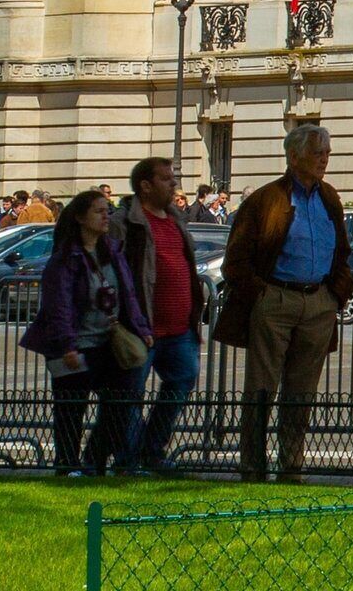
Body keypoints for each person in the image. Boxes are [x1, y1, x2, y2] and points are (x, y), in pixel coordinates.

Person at [216, 124, 353, 481]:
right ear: (294, 157)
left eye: (327, 152)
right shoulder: (265, 200)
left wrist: (335, 293)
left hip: (318, 301)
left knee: (302, 391)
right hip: (275, 299)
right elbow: (236, 260)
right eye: (317, 152)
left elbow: (342, 251)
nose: (324, 159)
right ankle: (253, 465)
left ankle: (291, 465)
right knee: (262, 388)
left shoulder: (330, 198)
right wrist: (262, 293)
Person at [17, 188, 150, 478]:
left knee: (119, 405)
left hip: (107, 342)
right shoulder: (66, 258)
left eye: (108, 210)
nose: (106, 216)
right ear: (80, 218)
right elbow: (59, 305)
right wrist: (67, 346)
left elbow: (127, 293)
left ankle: (95, 463)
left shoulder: (112, 251)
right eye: (99, 211)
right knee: (70, 413)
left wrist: (140, 328)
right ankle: (67, 466)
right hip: (74, 345)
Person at [116, 156, 207, 475]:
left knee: (182, 380)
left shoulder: (175, 218)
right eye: (166, 179)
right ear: (145, 185)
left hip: (179, 329)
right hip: (141, 327)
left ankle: (152, 449)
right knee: (129, 395)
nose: (173, 184)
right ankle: (127, 458)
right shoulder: (125, 222)